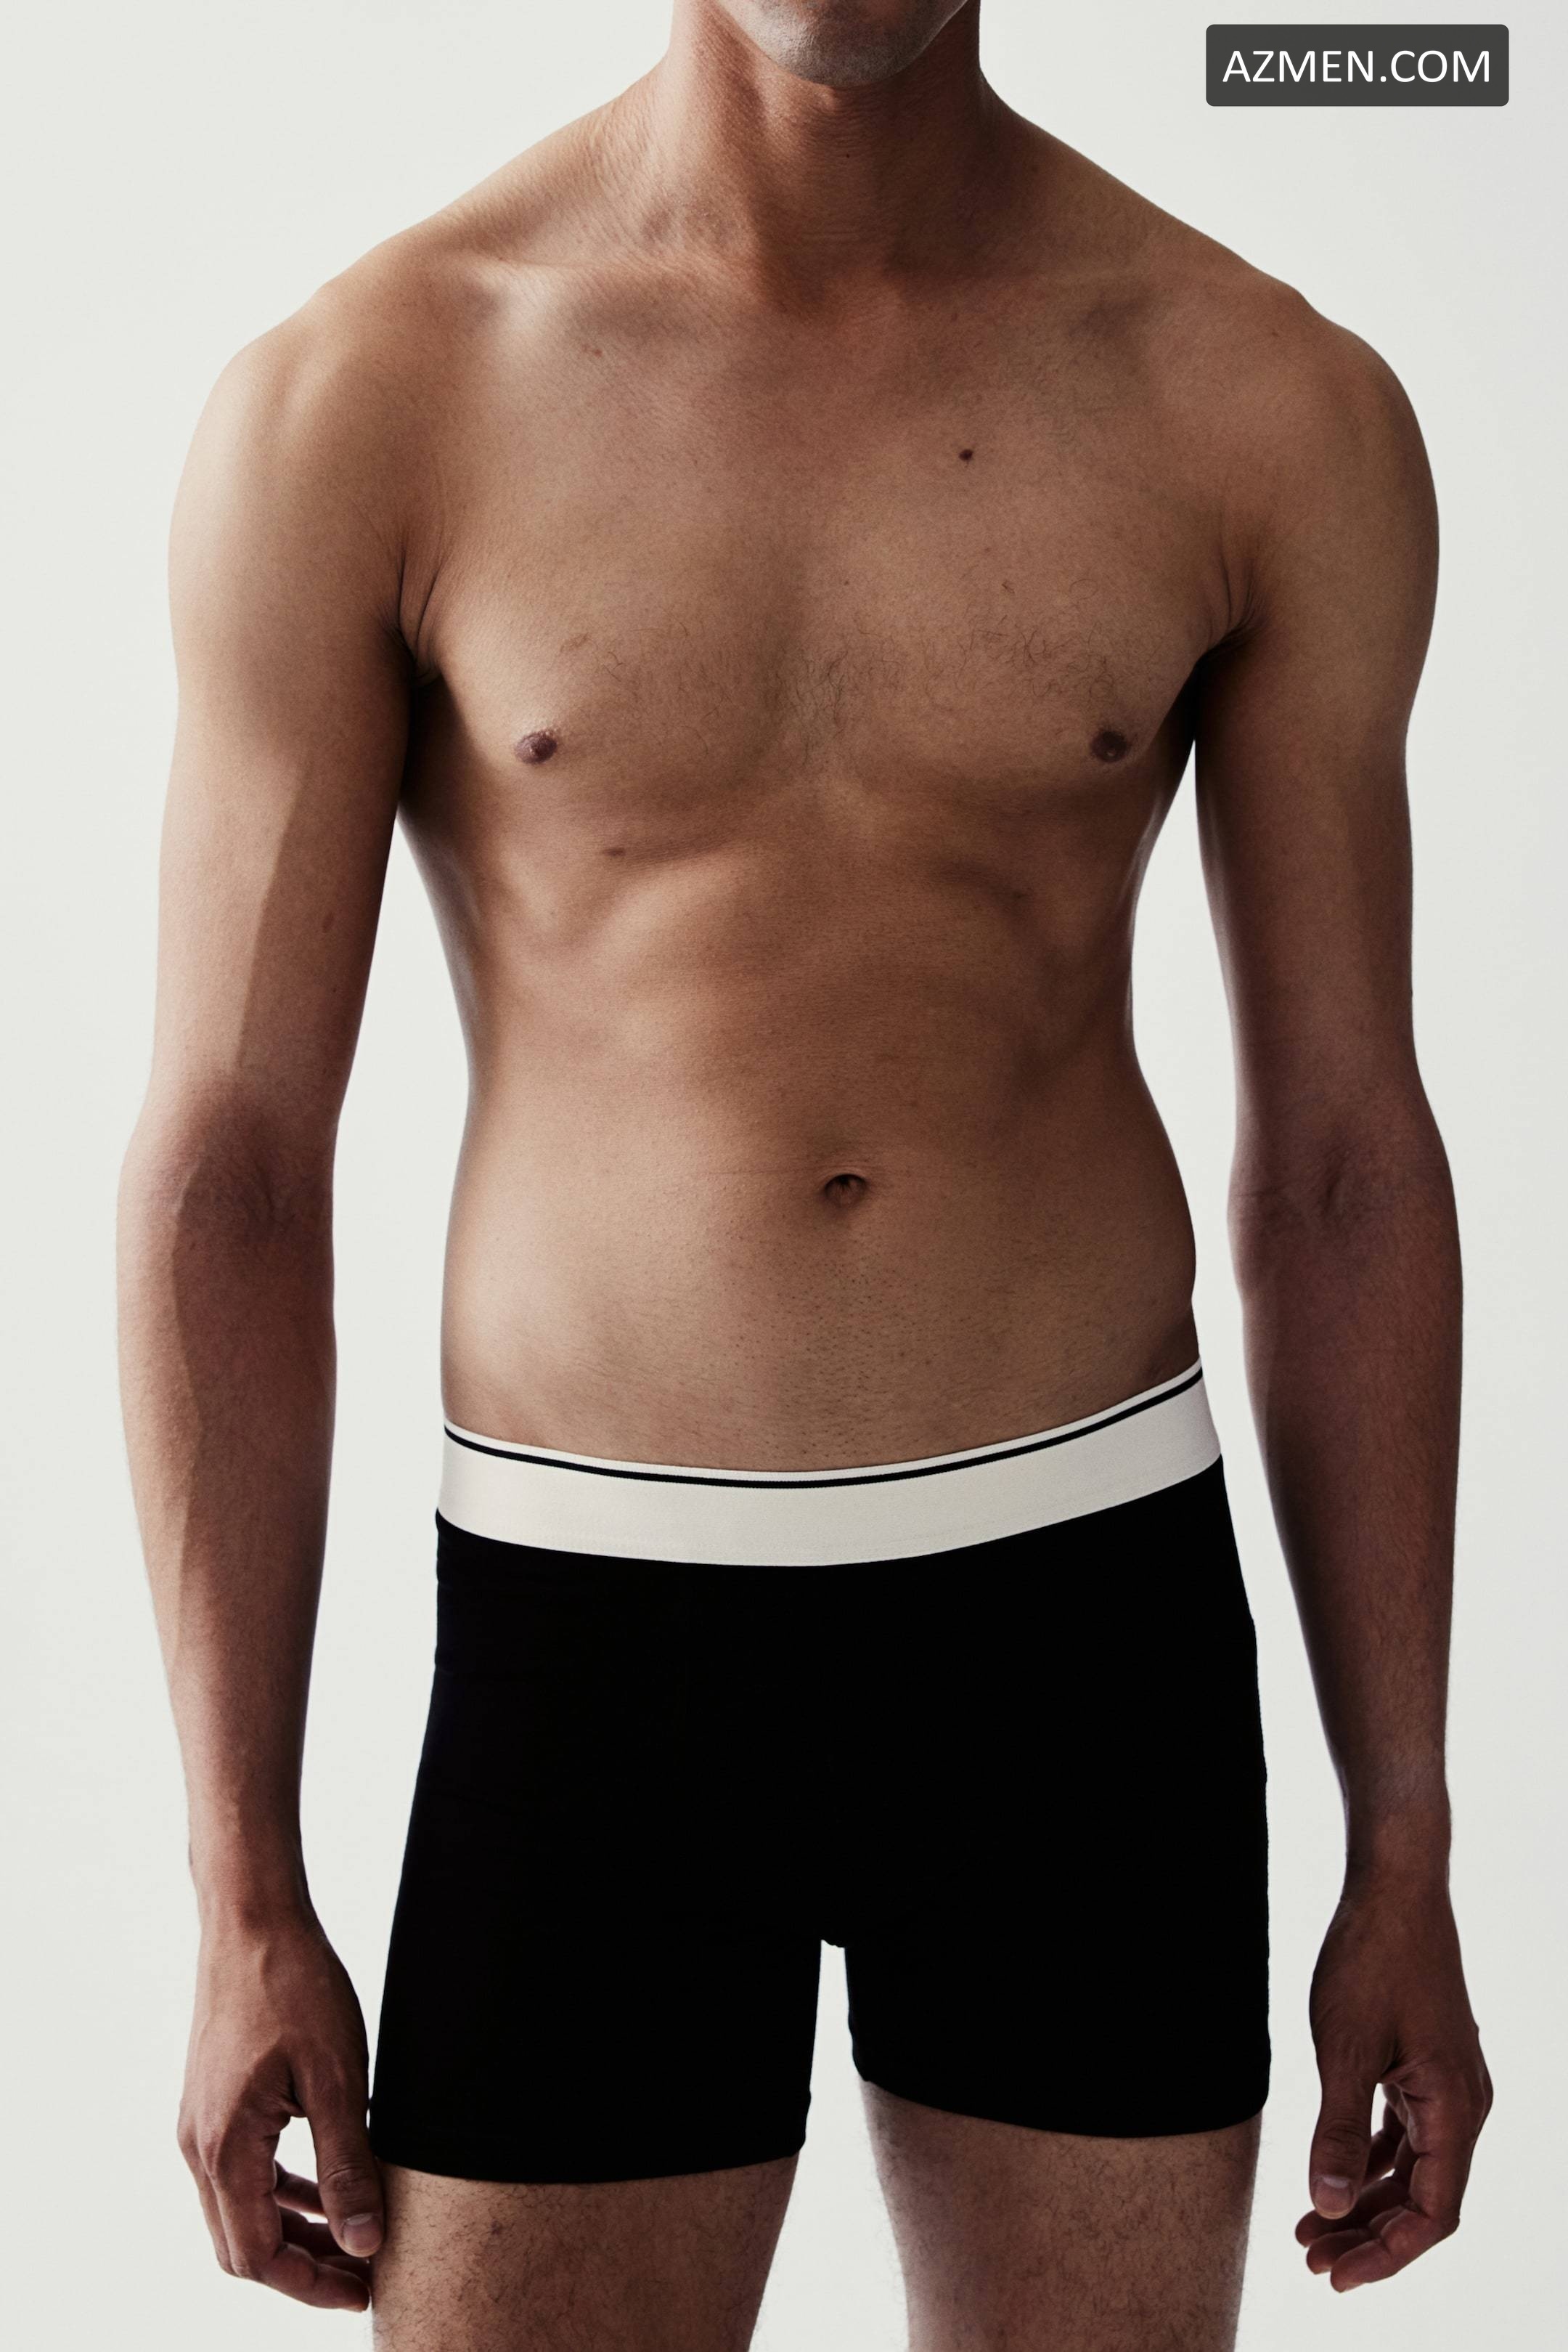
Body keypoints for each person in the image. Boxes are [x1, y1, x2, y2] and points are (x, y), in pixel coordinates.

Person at [118, 2, 1492, 2344]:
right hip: (594, 1644)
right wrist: (240, 1884)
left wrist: (1406, 1837)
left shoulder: (1265, 399)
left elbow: (1348, 1160)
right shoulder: (369, 394)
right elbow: (233, 1166)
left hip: (1085, 1635)